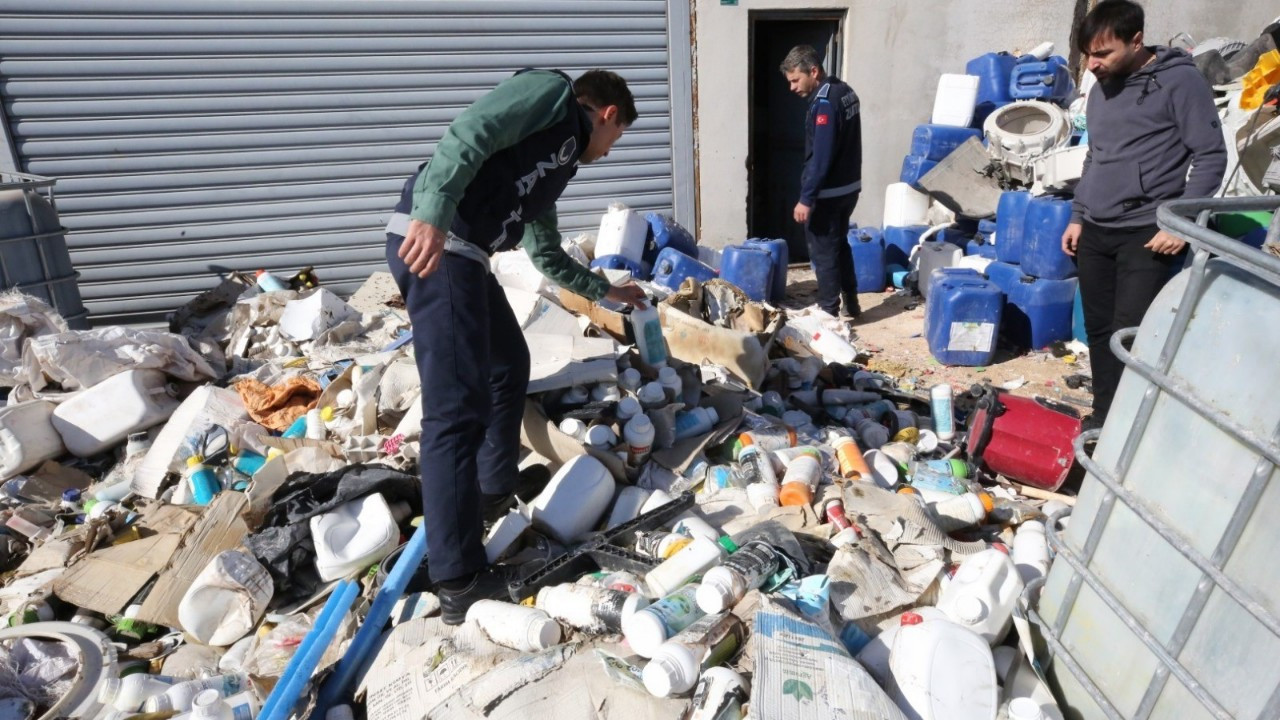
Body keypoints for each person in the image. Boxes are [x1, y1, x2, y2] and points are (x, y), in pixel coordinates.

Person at [384, 69, 648, 624]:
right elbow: (470, 130)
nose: (609, 151)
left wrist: (607, 292)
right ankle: (458, 578)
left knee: (508, 365)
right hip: (438, 244)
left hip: (467, 257)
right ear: (607, 115)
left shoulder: (553, 166)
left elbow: (546, 254)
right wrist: (431, 213)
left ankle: (490, 491)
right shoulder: (551, 96)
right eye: (616, 138)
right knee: (455, 408)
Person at [1061, 0, 1226, 430]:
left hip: (1146, 233)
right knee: (1097, 331)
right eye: (1088, 55)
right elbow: (1096, 155)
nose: (1092, 65)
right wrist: (1079, 214)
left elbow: (1209, 156)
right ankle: (1104, 418)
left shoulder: (1181, 83)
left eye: (1103, 54)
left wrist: (1182, 223)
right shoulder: (1100, 88)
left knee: (1129, 335)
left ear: (1136, 41)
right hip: (1096, 229)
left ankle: (1134, 426)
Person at [780, 45, 864, 319]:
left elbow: (822, 157)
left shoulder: (825, 102)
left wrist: (806, 198)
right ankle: (852, 302)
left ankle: (829, 313)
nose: (792, 88)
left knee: (824, 253)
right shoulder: (845, 91)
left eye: (795, 80)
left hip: (829, 193)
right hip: (849, 187)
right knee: (840, 245)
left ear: (813, 71)